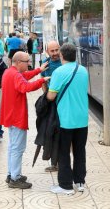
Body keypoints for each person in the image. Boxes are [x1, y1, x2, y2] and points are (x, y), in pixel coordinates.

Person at [0, 52, 49, 189]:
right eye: (27, 61)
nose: (29, 63)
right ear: (18, 62)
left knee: (12, 147)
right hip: (16, 116)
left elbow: (25, 77)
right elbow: (26, 87)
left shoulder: (9, 72)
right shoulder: (15, 74)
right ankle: (15, 178)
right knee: (18, 148)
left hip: (10, 115)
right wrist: (42, 80)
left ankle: (11, 174)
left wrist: (39, 70)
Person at [47, 43, 89, 195]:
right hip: (82, 118)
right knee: (79, 150)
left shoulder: (59, 72)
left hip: (66, 119)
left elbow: (51, 96)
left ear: (62, 55)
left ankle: (65, 186)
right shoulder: (83, 70)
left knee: (63, 152)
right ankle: (80, 181)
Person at [40, 40, 62, 172]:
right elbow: (43, 81)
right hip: (52, 104)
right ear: (47, 52)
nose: (55, 53)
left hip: (64, 105)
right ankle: (55, 163)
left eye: (56, 50)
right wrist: (47, 98)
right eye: (52, 51)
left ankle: (62, 163)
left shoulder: (65, 63)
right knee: (51, 134)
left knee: (63, 135)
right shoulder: (45, 65)